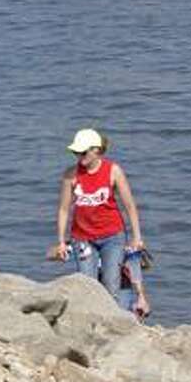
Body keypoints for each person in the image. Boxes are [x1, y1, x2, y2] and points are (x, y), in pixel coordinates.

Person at [51, 128, 144, 307]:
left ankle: (113, 322)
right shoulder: (70, 175)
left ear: (97, 150)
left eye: (83, 152)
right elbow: (63, 209)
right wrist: (61, 241)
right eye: (76, 153)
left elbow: (130, 206)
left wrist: (137, 237)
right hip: (82, 238)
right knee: (87, 285)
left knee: (111, 284)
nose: (79, 157)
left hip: (112, 237)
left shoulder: (113, 171)